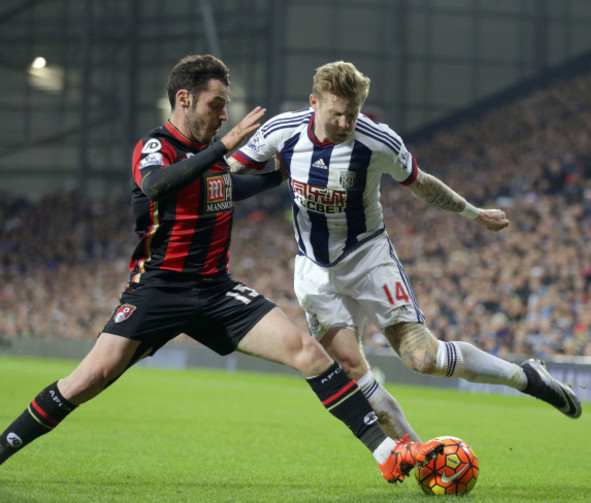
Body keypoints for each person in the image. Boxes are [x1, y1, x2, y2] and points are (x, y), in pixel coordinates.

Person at [0, 55, 445, 484]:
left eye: (225, 105)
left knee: (308, 353)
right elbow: (157, 184)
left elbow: (226, 185)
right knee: (87, 381)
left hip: (216, 291)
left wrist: (279, 176)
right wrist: (224, 146)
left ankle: (388, 455)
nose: (223, 114)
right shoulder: (158, 147)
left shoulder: (208, 160)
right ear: (184, 99)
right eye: (216, 104)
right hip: (159, 289)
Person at [229, 60, 582, 441]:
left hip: (368, 257)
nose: (346, 123)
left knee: (423, 359)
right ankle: (415, 451)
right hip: (314, 268)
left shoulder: (377, 140)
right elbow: (230, 171)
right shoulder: (282, 131)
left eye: (353, 113)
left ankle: (524, 376)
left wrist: (474, 213)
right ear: (313, 102)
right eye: (336, 114)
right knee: (349, 367)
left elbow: (422, 184)